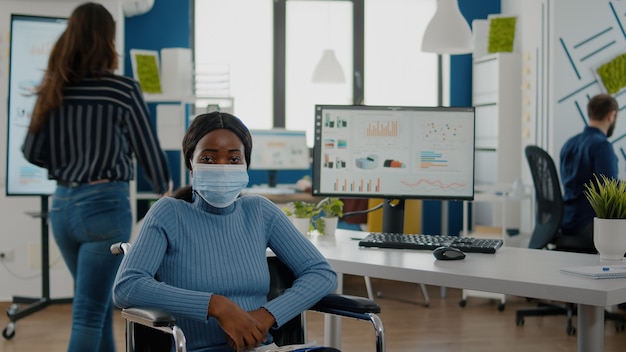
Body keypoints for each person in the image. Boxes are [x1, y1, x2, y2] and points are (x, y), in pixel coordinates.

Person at [113, 111, 338, 352]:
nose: (221, 167)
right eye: (208, 159)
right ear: (191, 162)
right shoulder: (169, 213)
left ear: (245, 165)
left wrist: (266, 315)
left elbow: (322, 273)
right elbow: (127, 286)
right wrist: (217, 306)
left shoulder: (260, 211)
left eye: (233, 159)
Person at [21, 3, 171, 351]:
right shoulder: (121, 90)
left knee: (98, 302)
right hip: (104, 207)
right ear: (108, 41)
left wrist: (65, 167)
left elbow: (31, 150)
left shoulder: (54, 90)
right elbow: (148, 151)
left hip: (62, 208)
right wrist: (165, 188)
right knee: (90, 310)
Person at [559, 93, 619, 252]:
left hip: (566, 222)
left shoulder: (569, 144)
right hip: (588, 226)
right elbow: (611, 196)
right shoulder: (602, 146)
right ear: (611, 115)